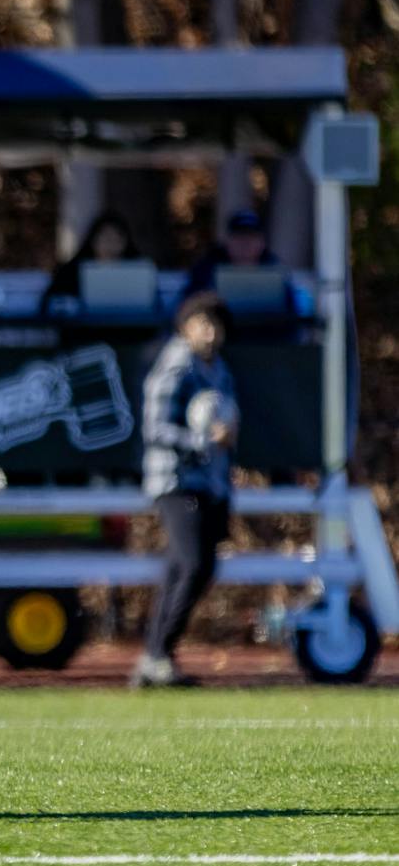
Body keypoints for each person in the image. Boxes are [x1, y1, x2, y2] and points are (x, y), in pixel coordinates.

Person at [133, 291, 237, 688]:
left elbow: (228, 426)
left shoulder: (219, 370)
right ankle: (157, 654)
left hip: (210, 483)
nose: (210, 333)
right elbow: (154, 429)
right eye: (202, 324)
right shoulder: (176, 366)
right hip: (177, 481)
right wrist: (203, 439)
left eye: (216, 325)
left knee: (192, 567)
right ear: (185, 328)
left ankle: (155, 658)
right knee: (192, 564)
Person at [183, 209, 294, 310]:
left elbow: (291, 312)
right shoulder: (205, 271)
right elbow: (188, 306)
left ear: (262, 243)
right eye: (239, 238)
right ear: (227, 241)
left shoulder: (276, 271)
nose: (245, 245)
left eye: (251, 238)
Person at [41, 211, 139, 316]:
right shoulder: (72, 270)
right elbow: (49, 302)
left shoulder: (140, 271)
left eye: (117, 240)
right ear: (93, 241)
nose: (111, 246)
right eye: (106, 239)